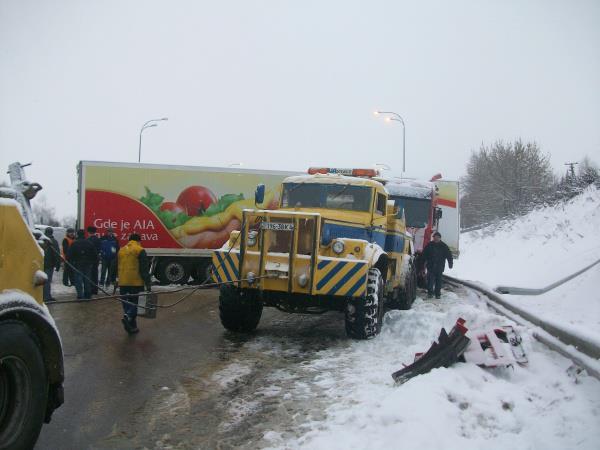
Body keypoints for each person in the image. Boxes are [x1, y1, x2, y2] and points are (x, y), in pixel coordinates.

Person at [117, 233, 151, 334]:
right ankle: (128, 317)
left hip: (123, 281)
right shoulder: (140, 250)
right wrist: (148, 283)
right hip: (135, 282)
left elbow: (115, 265)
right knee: (135, 303)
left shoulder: (121, 250)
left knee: (127, 303)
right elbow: (144, 269)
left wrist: (113, 278)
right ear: (138, 241)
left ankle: (132, 326)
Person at [422, 231, 453, 299]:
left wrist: (450, 263)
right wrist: (422, 263)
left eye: (437, 237)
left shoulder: (444, 246)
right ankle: (430, 293)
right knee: (430, 281)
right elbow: (424, 255)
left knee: (438, 282)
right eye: (434, 237)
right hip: (431, 267)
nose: (436, 239)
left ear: (440, 238)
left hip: (440, 267)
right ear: (433, 238)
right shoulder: (429, 245)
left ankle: (437, 294)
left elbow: (449, 255)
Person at [68, 229, 97, 299]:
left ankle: (80, 295)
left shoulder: (74, 243)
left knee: (78, 280)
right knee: (87, 279)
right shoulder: (89, 243)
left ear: (77, 234)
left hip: (77, 264)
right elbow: (95, 254)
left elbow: (69, 255)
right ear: (84, 234)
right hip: (88, 264)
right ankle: (87, 294)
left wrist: (72, 262)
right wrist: (92, 262)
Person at [42, 227, 61, 302]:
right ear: (52, 232)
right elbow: (57, 254)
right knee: (47, 281)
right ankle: (47, 297)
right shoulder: (53, 241)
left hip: (40, 263)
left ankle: (42, 296)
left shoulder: (41, 240)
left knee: (41, 281)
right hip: (49, 265)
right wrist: (58, 265)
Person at [87, 226, 102, 295]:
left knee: (90, 274)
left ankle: (90, 289)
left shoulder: (88, 240)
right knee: (95, 274)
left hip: (89, 259)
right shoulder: (98, 239)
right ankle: (95, 290)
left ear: (88, 232)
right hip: (96, 259)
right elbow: (99, 249)